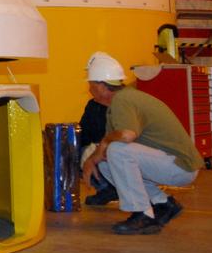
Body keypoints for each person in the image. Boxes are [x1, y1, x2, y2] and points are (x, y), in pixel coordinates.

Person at [79, 51, 203, 235]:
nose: (89, 90)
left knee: (118, 151)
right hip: (170, 162)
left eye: (91, 84)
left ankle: (142, 215)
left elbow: (127, 136)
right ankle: (163, 204)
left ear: (101, 85)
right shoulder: (122, 101)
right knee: (106, 162)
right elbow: (106, 148)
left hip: (181, 166)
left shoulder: (123, 100)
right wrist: (92, 160)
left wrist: (103, 145)